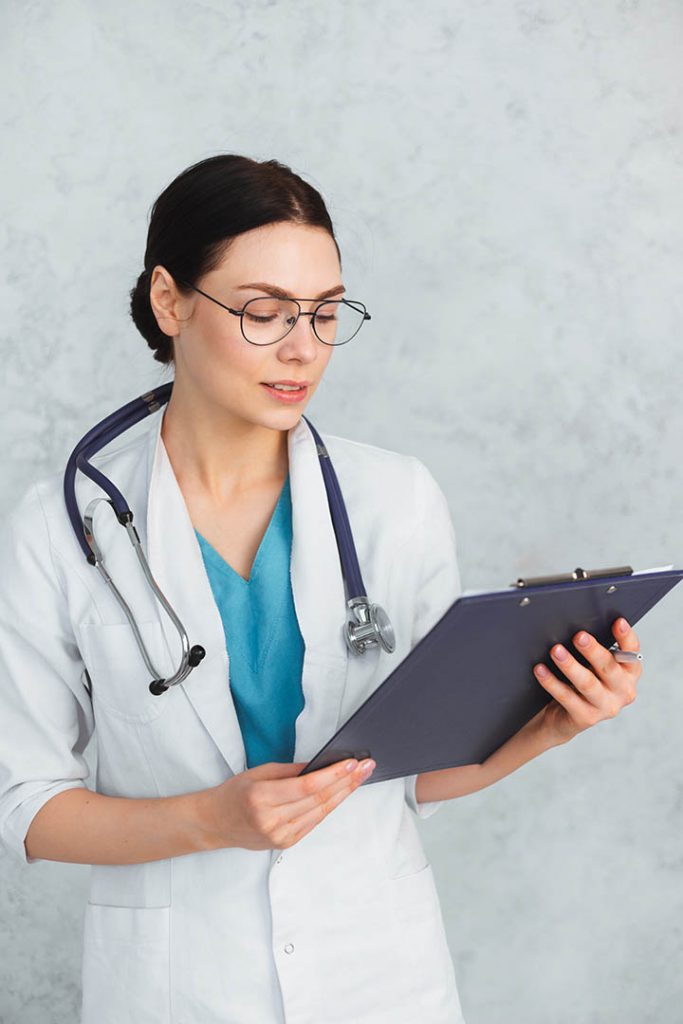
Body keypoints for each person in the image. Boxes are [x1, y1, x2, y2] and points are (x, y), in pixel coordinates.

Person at [0, 154, 642, 1024]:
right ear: (169, 301)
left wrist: (547, 727)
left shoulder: (395, 501)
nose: (303, 348)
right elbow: (29, 808)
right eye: (264, 313)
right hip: (179, 988)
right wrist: (211, 821)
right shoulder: (57, 529)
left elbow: (411, 773)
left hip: (377, 979)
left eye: (326, 313)